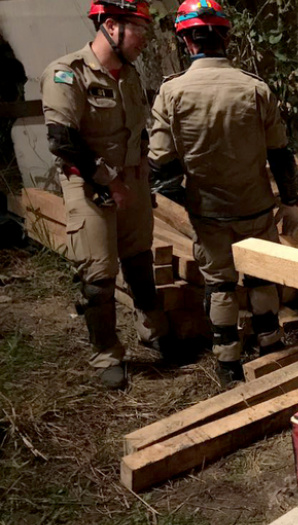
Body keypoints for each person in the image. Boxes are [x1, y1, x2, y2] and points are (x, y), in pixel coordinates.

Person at [148, 0, 298, 385]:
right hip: (255, 206)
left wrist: (193, 201)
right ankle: (271, 347)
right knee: (261, 277)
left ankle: (228, 363)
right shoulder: (255, 88)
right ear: (226, 38)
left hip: (208, 212)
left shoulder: (171, 92)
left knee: (219, 283)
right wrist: (289, 201)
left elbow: (161, 165)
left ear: (186, 41)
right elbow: (280, 153)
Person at [41, 0, 171, 389]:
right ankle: (107, 355)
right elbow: (62, 141)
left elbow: (138, 129)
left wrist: (143, 171)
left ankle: (153, 331)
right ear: (111, 26)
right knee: (98, 275)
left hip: (132, 183)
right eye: (139, 30)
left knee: (139, 260)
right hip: (89, 186)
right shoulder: (67, 74)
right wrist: (110, 182)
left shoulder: (129, 75)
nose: (144, 40)